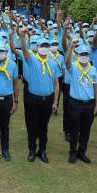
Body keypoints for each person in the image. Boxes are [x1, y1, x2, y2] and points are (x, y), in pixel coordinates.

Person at [19, 30, 60, 163]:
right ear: (37, 48)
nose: (44, 48)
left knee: (44, 126)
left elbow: (56, 83)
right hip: (33, 99)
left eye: (46, 46)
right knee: (32, 125)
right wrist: (21, 36)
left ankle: (42, 150)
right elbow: (24, 50)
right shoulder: (32, 60)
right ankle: (32, 150)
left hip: (47, 100)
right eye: (42, 46)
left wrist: (55, 101)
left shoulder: (53, 63)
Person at [65, 43, 97, 163]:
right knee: (74, 129)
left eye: (86, 54)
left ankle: (82, 152)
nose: (84, 56)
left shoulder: (93, 69)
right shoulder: (74, 67)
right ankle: (73, 152)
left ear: (89, 55)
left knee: (86, 129)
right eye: (81, 54)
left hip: (89, 104)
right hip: (75, 103)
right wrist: (70, 48)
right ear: (77, 55)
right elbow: (67, 62)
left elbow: (96, 87)